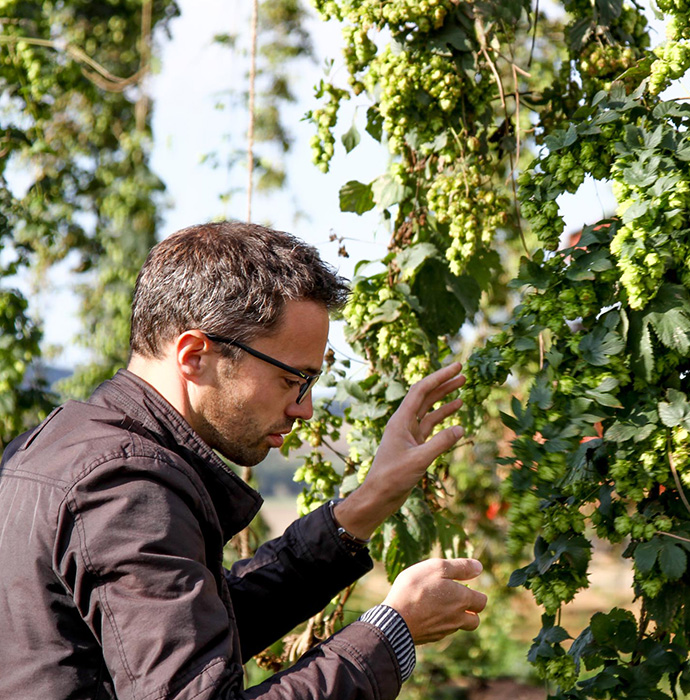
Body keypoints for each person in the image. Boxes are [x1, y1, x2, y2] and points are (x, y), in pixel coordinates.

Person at [0, 221, 487, 700]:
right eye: (292, 378)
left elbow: (193, 628)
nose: (304, 408)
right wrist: (389, 633)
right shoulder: (125, 490)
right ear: (194, 355)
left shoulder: (57, 447)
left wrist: (370, 500)